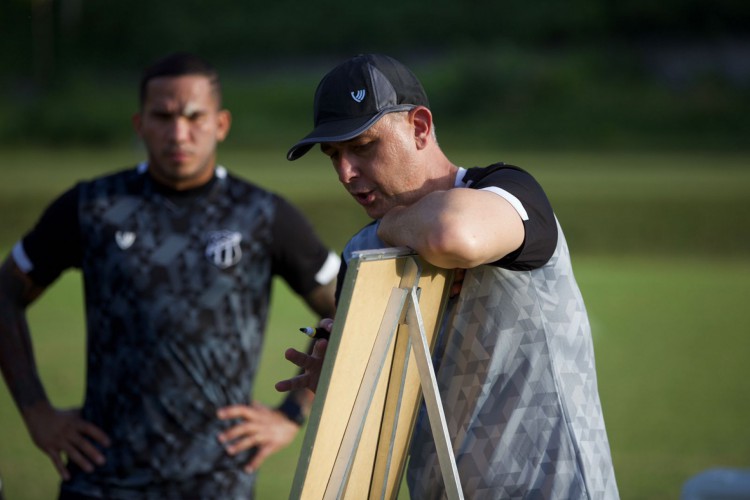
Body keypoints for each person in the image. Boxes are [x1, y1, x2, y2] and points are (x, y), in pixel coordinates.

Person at [278, 53, 620, 498]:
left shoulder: (507, 192)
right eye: (333, 155)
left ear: (420, 127)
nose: (346, 172)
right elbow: (375, 431)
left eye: (363, 147)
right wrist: (343, 384)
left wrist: (389, 227)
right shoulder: (360, 255)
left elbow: (452, 234)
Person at [0, 52, 339, 499]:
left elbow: (349, 305)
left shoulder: (262, 214)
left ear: (221, 124)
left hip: (219, 481)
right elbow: (4, 293)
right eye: (163, 116)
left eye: (194, 117)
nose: (179, 132)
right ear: (140, 125)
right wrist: (36, 412)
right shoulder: (93, 207)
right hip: (104, 478)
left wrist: (292, 413)